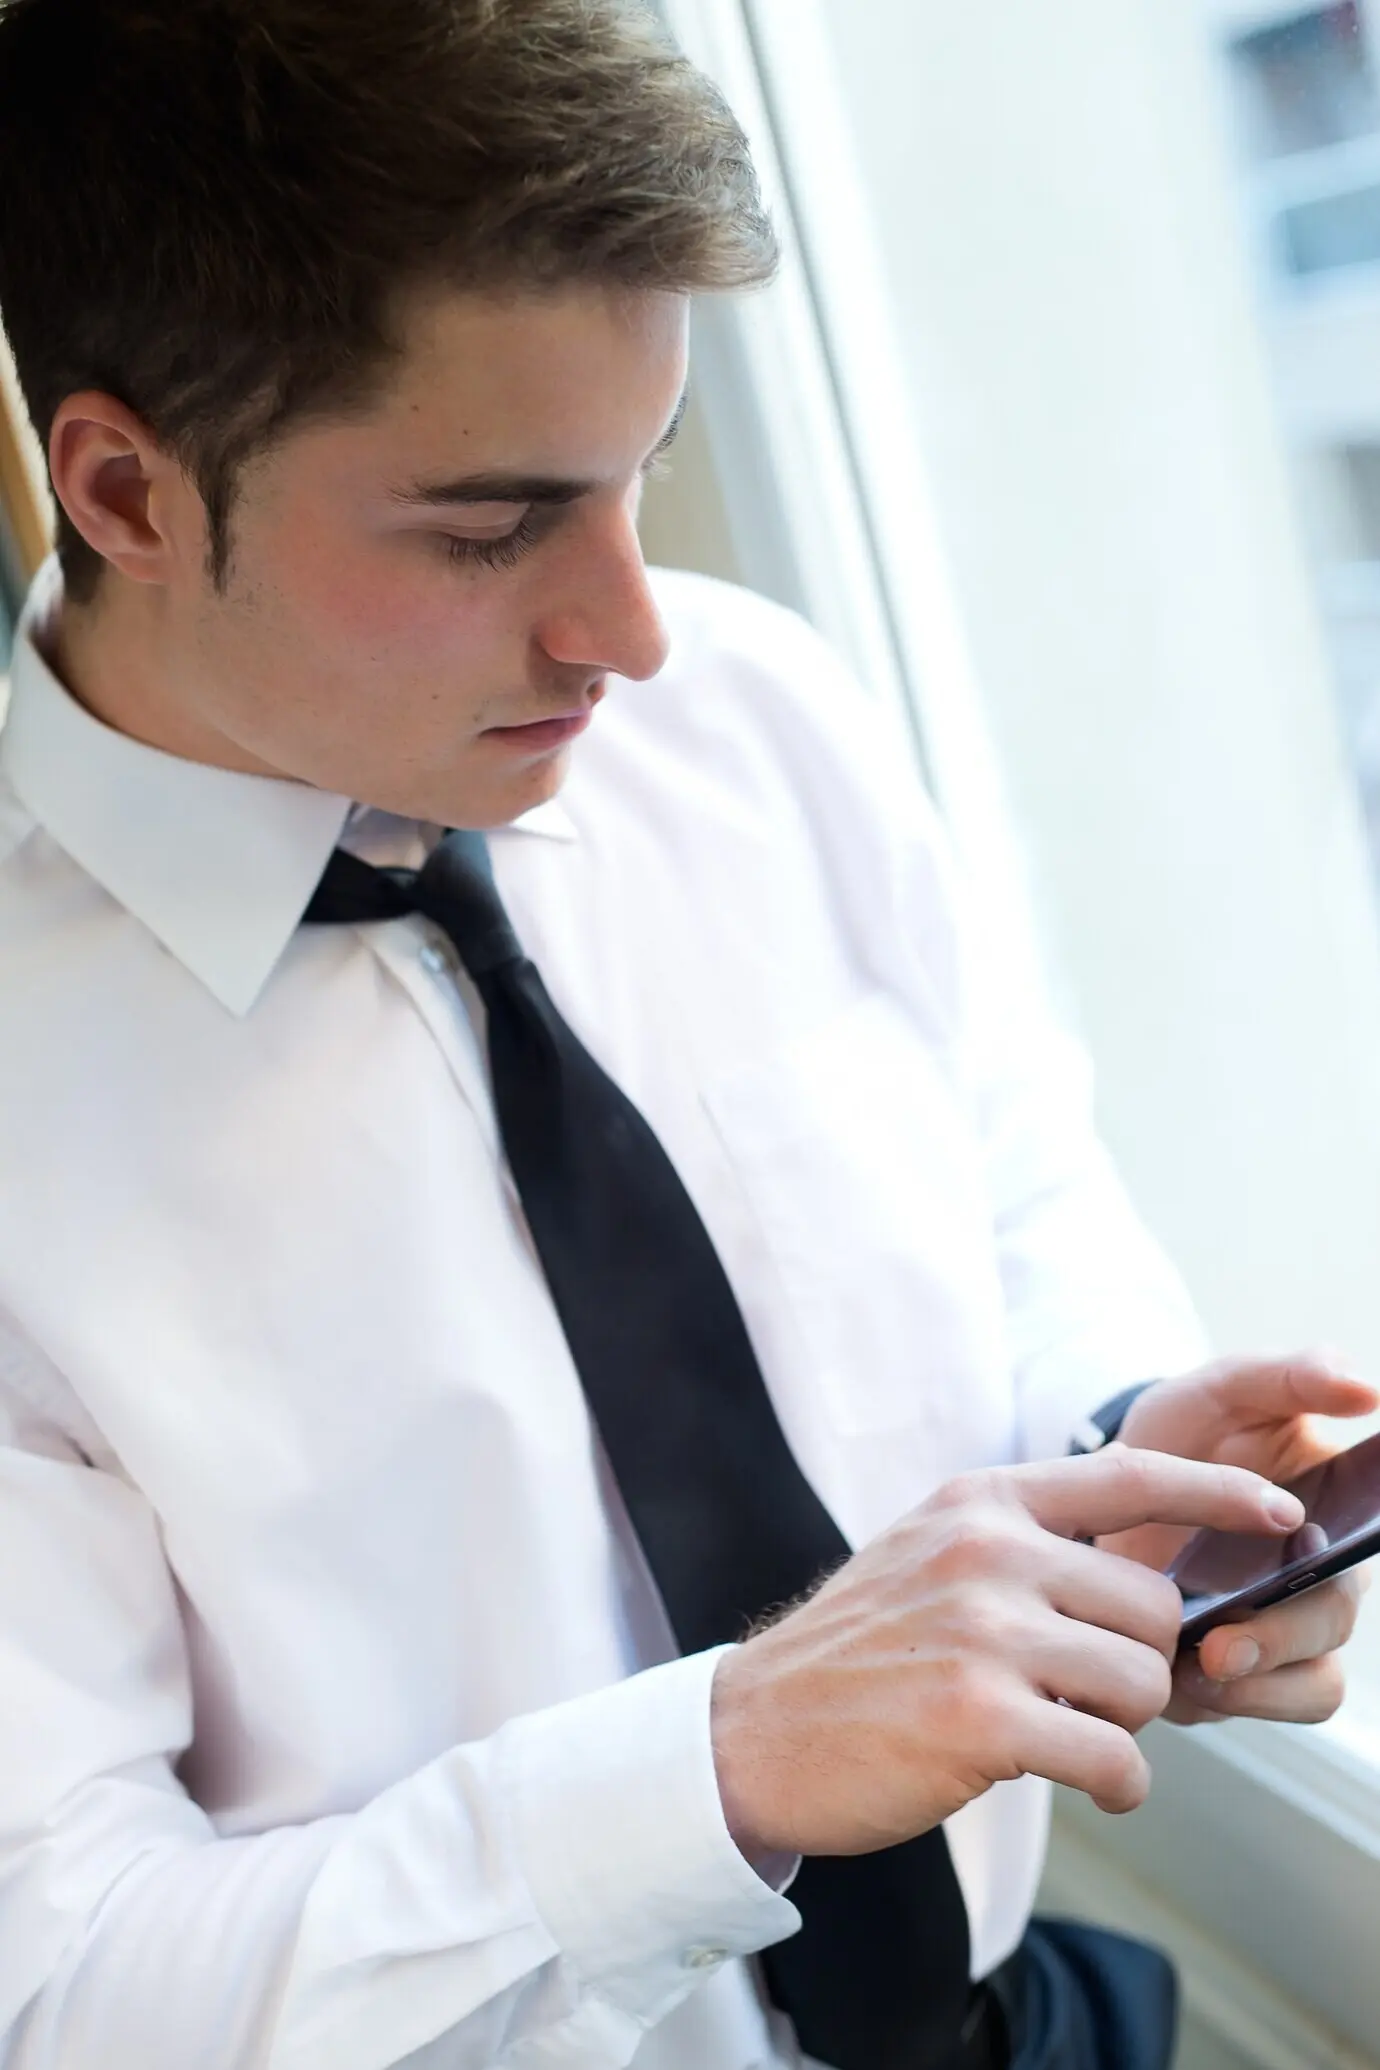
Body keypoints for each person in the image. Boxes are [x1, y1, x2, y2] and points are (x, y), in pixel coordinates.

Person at [0, 3, 1370, 2067]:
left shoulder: (757, 712)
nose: (632, 631)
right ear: (119, 487)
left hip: (1033, 2017)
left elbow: (1006, 1180)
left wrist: (1112, 1449)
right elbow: (67, 1984)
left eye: (645, 471)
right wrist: (724, 1764)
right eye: (488, 528)